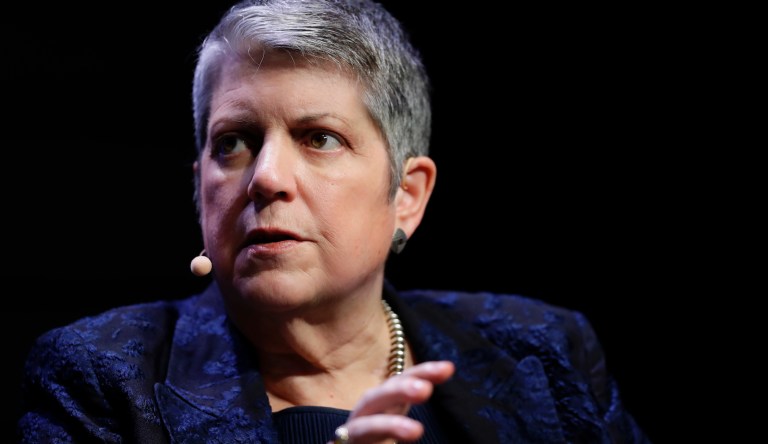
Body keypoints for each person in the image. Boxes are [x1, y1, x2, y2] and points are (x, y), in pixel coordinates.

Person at [17, 0, 651, 442]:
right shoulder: (101, 378)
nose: (264, 177)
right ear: (199, 187)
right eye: (233, 141)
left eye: (318, 138)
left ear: (406, 193)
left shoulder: (543, 350)